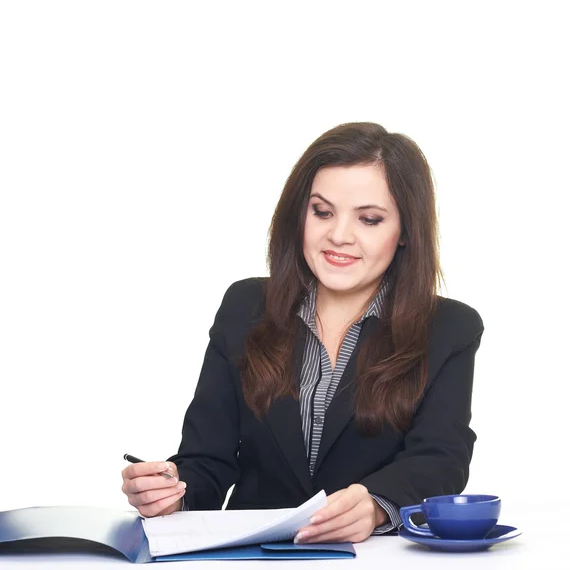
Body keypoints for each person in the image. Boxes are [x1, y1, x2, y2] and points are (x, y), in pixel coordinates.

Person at [121, 122, 484, 544]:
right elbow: (208, 461)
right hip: (251, 555)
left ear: (405, 232)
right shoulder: (244, 307)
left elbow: (442, 458)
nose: (339, 236)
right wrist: (171, 491)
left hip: (371, 558)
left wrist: (375, 505)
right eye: (322, 212)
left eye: (369, 219)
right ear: (300, 214)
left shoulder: (449, 328)